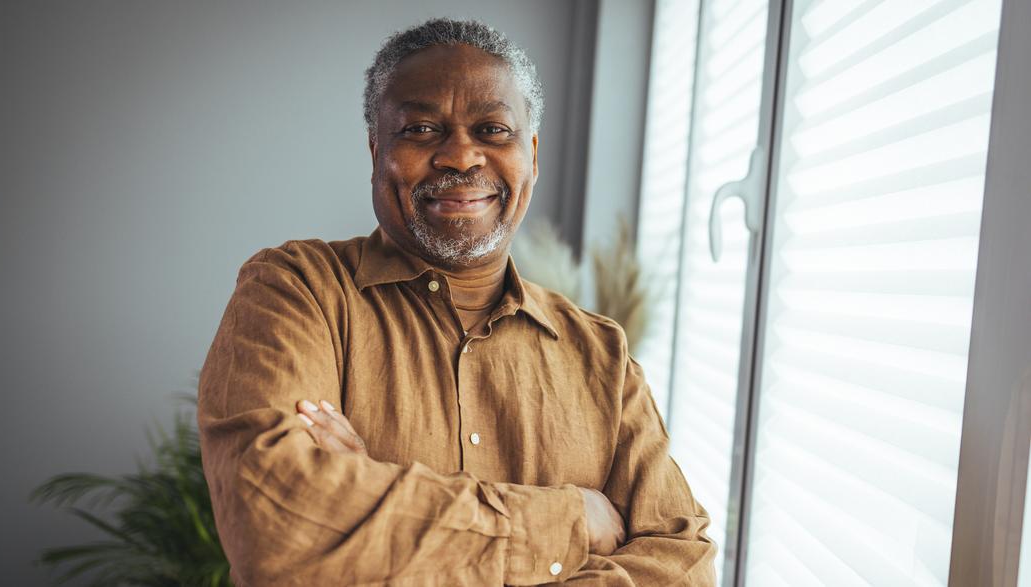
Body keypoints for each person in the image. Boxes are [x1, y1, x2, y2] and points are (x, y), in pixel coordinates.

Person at [197, 18, 716, 586]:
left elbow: (683, 565)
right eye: (421, 129)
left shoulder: (603, 356)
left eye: (493, 130)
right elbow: (276, 528)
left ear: (532, 156)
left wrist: (374, 499)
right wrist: (568, 521)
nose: (461, 157)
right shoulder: (297, 290)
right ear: (376, 152)